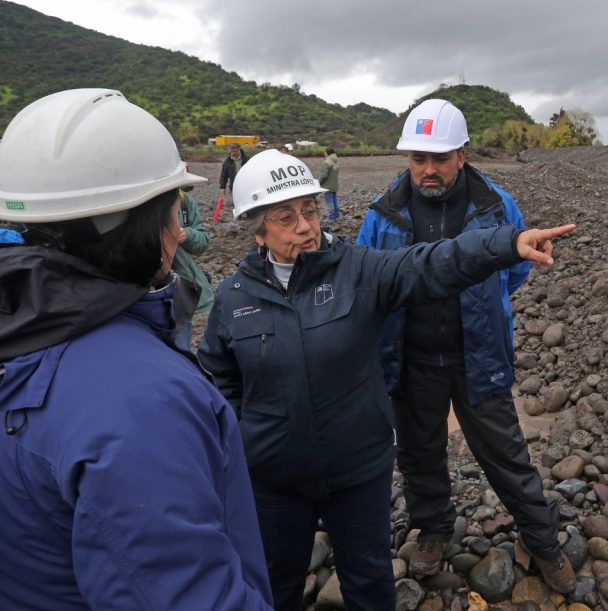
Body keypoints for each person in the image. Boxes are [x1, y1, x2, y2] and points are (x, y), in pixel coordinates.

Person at [197, 148, 573, 610]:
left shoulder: (358, 269)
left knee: (371, 585)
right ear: (257, 226)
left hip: (357, 474)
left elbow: (431, 262)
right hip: (275, 483)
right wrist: (248, 440)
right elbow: (219, 378)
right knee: (276, 585)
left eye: (310, 210)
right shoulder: (234, 297)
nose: (306, 226)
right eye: (285, 217)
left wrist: (504, 245)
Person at [0, 88, 273, 609]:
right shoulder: (144, 403)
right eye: (171, 209)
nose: (178, 229)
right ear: (143, 225)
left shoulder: (21, 330)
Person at [355, 99, 577, 593]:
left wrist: (481, 309)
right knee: (418, 454)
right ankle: (434, 528)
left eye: (440, 158)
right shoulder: (382, 214)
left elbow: (515, 272)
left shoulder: (497, 206)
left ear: (463, 153)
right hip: (410, 362)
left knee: (507, 454)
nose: (428, 169)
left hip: (478, 356)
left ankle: (543, 540)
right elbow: (369, 278)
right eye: (418, 158)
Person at [171, 184, 215, 351]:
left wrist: (187, 234)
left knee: (181, 350)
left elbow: (202, 242)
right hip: (145, 292)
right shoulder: (134, 200)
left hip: (181, 289)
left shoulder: (183, 200)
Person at [319, 147, 340, 222]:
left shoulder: (326, 162)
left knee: (330, 201)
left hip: (328, 185)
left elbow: (323, 175)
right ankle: (337, 216)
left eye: (325, 152)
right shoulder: (336, 161)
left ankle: (331, 218)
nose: (324, 154)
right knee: (334, 200)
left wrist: (319, 183)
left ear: (327, 153)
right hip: (335, 184)